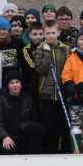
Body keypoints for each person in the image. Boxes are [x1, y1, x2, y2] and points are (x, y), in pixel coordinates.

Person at [33, 24, 70, 153]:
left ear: (58, 33)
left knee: (63, 125)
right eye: (47, 33)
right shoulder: (40, 49)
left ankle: (64, 151)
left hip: (62, 93)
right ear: (44, 34)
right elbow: (41, 69)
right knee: (49, 126)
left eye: (53, 33)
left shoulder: (65, 48)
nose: (50, 36)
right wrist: (47, 52)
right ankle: (50, 151)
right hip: (47, 94)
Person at [0, 69, 45, 154]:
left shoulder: (28, 100)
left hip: (22, 135)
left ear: (21, 85)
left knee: (40, 128)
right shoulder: (2, 101)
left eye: (17, 82)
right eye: (11, 83)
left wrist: (23, 126)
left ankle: (29, 155)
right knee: (7, 149)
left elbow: (34, 120)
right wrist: (4, 136)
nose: (14, 85)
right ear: (8, 86)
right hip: (8, 136)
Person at [0, 17, 27, 92]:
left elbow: (23, 64)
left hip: (15, 82)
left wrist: (23, 81)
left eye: (4, 29)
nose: (2, 32)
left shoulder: (18, 43)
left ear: (9, 29)